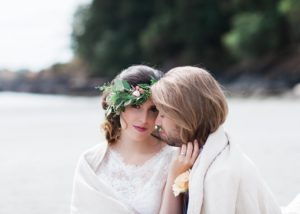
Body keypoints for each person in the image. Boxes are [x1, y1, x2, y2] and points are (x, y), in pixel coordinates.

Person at [151, 66, 283, 214]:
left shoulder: (219, 176)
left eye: (163, 115)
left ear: (186, 116)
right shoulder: (212, 154)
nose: (156, 122)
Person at [70, 65, 187, 214]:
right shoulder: (90, 162)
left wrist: (173, 177)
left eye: (153, 109)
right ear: (118, 105)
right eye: (136, 106)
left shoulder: (175, 160)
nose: (144, 119)